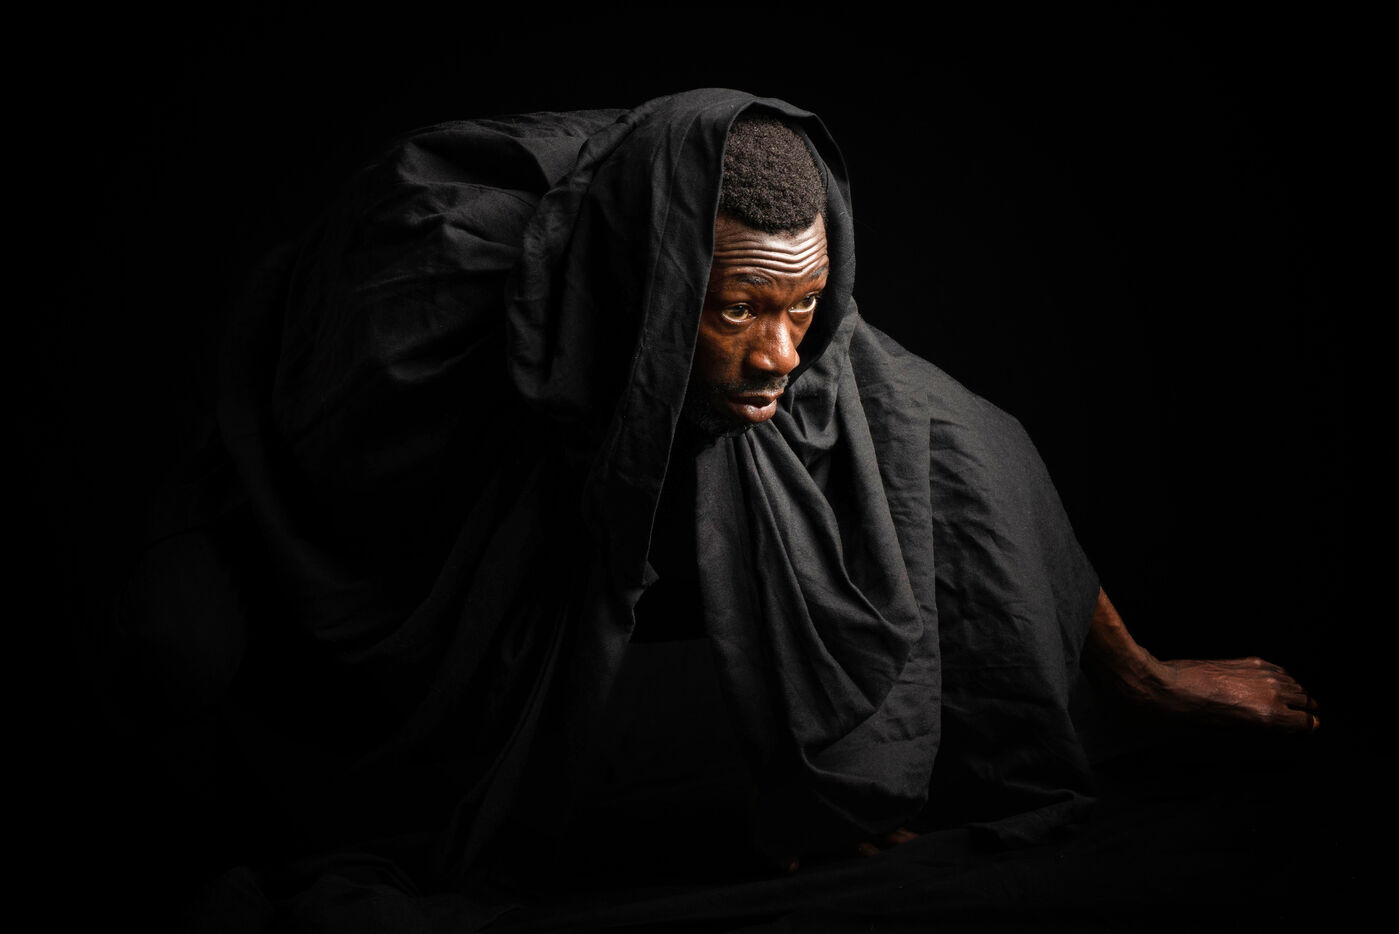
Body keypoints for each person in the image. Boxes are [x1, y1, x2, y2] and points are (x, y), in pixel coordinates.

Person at [118, 88, 1317, 928]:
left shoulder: (803, 344)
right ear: (650, 284)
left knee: (913, 439)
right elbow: (322, 477)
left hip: (585, 450)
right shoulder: (422, 282)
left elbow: (978, 455)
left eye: (802, 307)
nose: (777, 355)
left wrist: (1139, 677)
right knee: (178, 658)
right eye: (737, 310)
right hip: (292, 520)